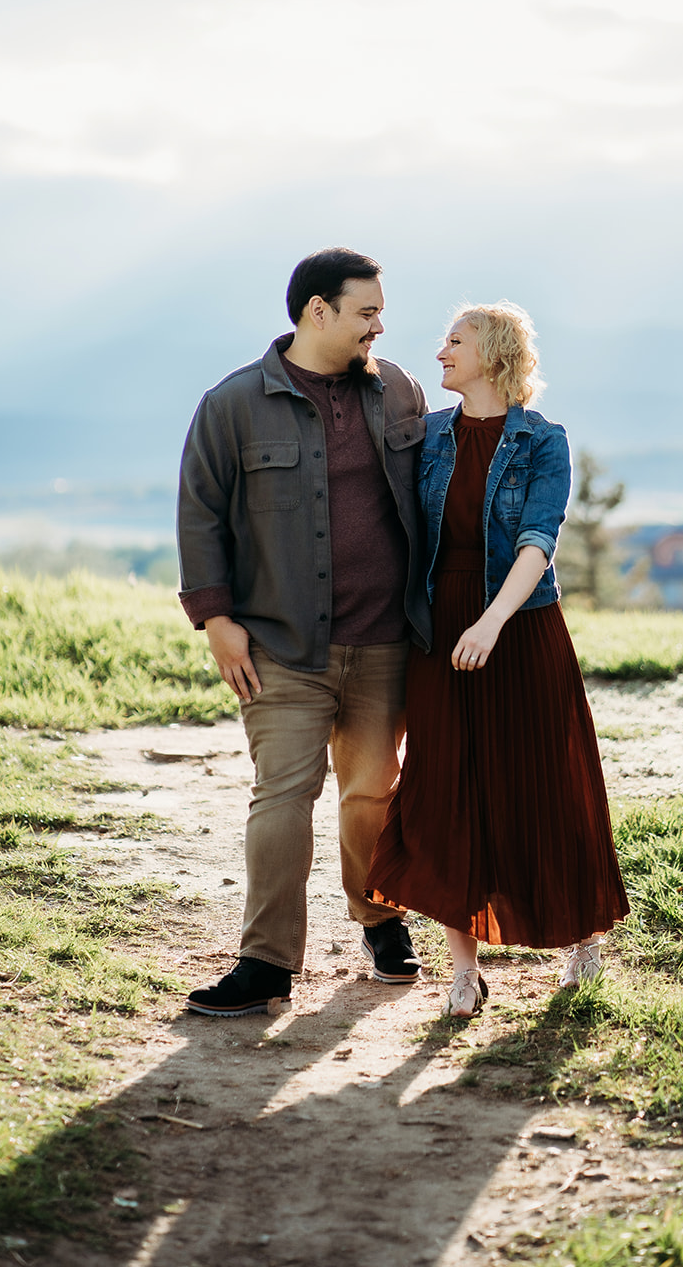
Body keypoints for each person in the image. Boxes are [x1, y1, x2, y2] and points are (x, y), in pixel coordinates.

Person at [177, 247, 431, 1016]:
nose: (379, 327)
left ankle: (379, 915)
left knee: (371, 793)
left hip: (385, 640)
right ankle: (264, 963)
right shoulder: (232, 404)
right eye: (366, 313)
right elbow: (200, 513)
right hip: (280, 644)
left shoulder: (398, 393)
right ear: (316, 311)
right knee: (282, 796)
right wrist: (216, 619)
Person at [366, 302, 629, 1017]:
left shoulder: (543, 441)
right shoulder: (427, 438)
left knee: (545, 782)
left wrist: (490, 622)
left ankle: (580, 939)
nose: (441, 350)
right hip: (438, 630)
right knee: (446, 786)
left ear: (494, 351)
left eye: (455, 340)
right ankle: (463, 971)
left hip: (518, 625)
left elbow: (537, 541)